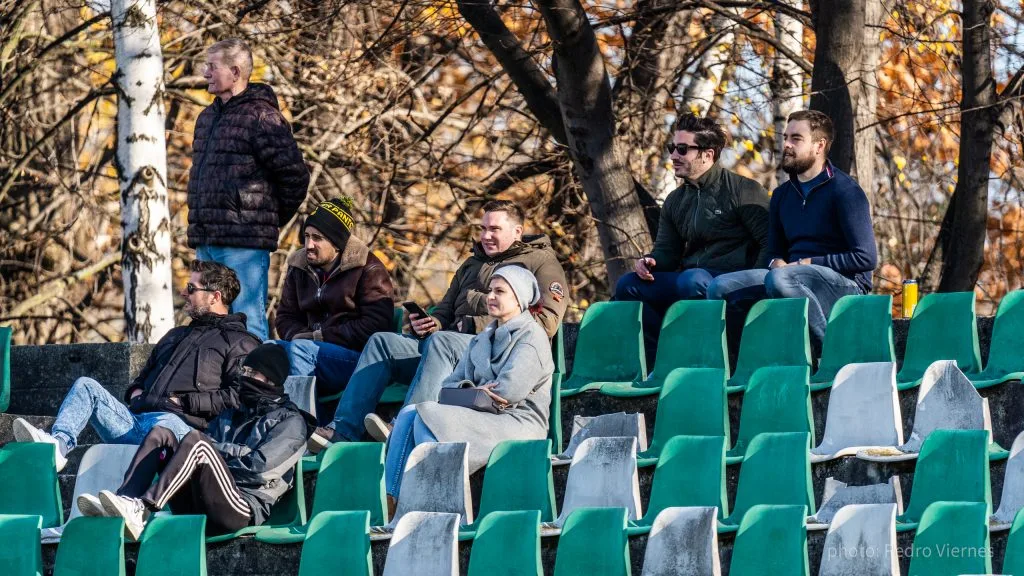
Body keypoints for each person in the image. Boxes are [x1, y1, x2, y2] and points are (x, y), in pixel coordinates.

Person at [307, 199, 568, 451]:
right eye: (483, 228)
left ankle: (406, 426)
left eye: (494, 229)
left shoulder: (541, 262)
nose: (486, 236)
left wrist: (475, 325)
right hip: (446, 347)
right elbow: (445, 307)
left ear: (517, 231)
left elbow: (545, 320)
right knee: (382, 343)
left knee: (442, 341)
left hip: (495, 353)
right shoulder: (472, 263)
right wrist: (433, 321)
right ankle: (343, 431)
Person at [11, 261, 260, 472]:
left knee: (167, 423)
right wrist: (135, 394)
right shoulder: (174, 335)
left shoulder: (240, 342)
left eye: (191, 288)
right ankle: (58, 446)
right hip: (136, 421)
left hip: (181, 430)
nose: (184, 293)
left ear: (215, 296)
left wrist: (184, 403)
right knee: (86, 386)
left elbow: (237, 397)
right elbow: (139, 381)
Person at [75, 343, 314, 540]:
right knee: (161, 433)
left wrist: (215, 459)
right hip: (202, 500)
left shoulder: (291, 422)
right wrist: (220, 457)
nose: (244, 377)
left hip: (242, 506)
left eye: (252, 373)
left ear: (271, 381)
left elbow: (258, 469)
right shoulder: (232, 413)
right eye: (244, 371)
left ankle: (143, 510)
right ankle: (128, 501)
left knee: (196, 442)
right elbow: (217, 450)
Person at [706, 110, 877, 354]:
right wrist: (776, 262)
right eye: (786, 136)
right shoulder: (782, 195)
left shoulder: (845, 192)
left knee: (781, 279)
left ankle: (829, 354)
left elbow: (866, 258)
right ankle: (740, 365)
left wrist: (807, 263)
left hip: (845, 285)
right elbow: (773, 251)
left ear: (819, 145)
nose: (785, 144)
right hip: (790, 278)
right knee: (720, 287)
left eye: (796, 138)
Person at [384, 266, 553, 506]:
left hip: (519, 423)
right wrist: (476, 393)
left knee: (427, 415)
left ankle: (435, 499)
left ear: (519, 298)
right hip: (482, 415)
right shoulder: (481, 339)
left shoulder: (532, 337)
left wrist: (469, 393)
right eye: (490, 291)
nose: (491, 297)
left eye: (500, 291)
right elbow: (445, 389)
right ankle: (394, 498)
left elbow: (507, 393)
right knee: (409, 413)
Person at [187, 38, 310, 340]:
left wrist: (263, 219)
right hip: (207, 238)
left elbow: (295, 176)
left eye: (211, 67)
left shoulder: (263, 117)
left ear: (235, 71)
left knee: (248, 319)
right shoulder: (206, 118)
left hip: (245, 244)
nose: (205, 73)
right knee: (208, 322)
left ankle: (257, 386)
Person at [614, 113, 769, 351]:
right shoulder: (675, 200)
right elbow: (667, 251)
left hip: (732, 281)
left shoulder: (743, 190)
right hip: (692, 278)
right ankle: (663, 355)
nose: (674, 155)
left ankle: (705, 353)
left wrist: (753, 284)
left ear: (708, 154)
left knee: (692, 279)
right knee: (627, 285)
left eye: (683, 149)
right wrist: (650, 262)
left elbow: (770, 242)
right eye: (672, 148)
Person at [273, 197, 395, 413]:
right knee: (267, 349)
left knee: (300, 350)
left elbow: (376, 325)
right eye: (307, 236)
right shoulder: (298, 266)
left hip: (355, 360)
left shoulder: (368, 268)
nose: (309, 245)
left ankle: (300, 427)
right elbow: (284, 317)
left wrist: (319, 337)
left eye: (317, 238)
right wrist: (300, 335)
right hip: (306, 349)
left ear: (337, 242)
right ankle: (259, 424)